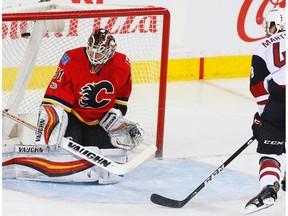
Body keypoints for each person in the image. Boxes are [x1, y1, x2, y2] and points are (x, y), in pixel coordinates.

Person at [33, 28, 144, 183]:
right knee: (68, 150)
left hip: (100, 120)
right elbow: (56, 96)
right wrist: (52, 121)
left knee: (103, 150)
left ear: (110, 52)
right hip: (75, 116)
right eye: (91, 51)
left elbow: (121, 101)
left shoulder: (122, 66)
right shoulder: (71, 59)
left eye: (99, 53)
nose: (93, 56)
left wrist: (115, 119)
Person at [244, 7, 286, 214]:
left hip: (281, 99)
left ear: (277, 25)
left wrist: (262, 116)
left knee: (270, 151)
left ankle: (269, 189)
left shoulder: (262, 48)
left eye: (270, 25)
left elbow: (258, 88)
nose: (268, 30)